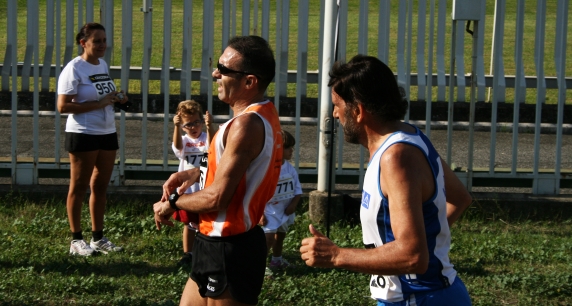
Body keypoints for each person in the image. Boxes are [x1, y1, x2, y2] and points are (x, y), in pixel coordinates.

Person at [299, 55, 473, 306]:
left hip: (420, 298)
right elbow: (460, 197)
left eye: (337, 105)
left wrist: (336, 255)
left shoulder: (395, 158)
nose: (335, 114)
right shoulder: (409, 135)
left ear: (358, 111)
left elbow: (413, 257)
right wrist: (425, 241)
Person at [152, 35, 283, 306]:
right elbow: (241, 170)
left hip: (231, 246)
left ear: (249, 81)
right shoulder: (261, 114)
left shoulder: (246, 125)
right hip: (212, 241)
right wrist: (193, 173)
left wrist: (172, 204)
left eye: (223, 70)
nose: (215, 74)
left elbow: (217, 197)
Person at [57, 22, 128, 256]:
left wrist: (116, 97)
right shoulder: (74, 68)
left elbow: (101, 92)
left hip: (106, 131)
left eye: (104, 40)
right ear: (83, 43)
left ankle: (98, 238)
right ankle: (76, 240)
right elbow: (62, 106)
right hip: (83, 133)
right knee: (78, 187)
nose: (102, 45)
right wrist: (97, 104)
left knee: (100, 186)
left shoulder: (102, 64)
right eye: (96, 41)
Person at [171, 100, 216, 266]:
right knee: (189, 224)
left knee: (206, 220)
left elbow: (212, 148)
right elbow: (177, 148)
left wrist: (210, 126)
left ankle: (206, 252)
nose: (193, 127)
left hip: (205, 186)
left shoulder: (205, 137)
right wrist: (176, 128)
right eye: (188, 124)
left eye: (196, 123)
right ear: (182, 126)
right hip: (188, 190)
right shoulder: (183, 140)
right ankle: (187, 253)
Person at [259, 129, 302, 271]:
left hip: (284, 210)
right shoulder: (267, 169)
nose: (291, 151)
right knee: (268, 239)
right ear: (277, 148)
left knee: (280, 236)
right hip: (269, 211)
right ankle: (260, 267)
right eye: (287, 147)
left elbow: (297, 190)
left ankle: (277, 260)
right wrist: (260, 213)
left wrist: (293, 205)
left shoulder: (290, 169)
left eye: (292, 147)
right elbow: (257, 193)